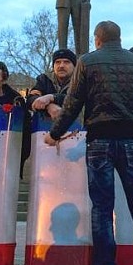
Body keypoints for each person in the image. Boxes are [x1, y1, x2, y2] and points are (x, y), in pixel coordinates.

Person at [43, 20, 133, 265]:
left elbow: (72, 104)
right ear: (120, 38)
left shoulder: (88, 62)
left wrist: (54, 133)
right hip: (130, 140)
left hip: (99, 140)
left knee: (102, 208)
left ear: (97, 39)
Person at [25, 48, 78, 178]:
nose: (61, 66)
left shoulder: (81, 80)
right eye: (58, 62)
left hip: (76, 139)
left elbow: (77, 99)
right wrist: (49, 106)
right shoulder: (44, 80)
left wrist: (51, 97)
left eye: (66, 62)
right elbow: (31, 100)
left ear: (74, 65)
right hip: (45, 140)